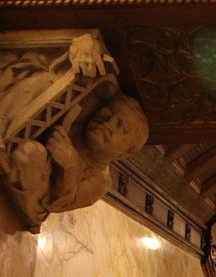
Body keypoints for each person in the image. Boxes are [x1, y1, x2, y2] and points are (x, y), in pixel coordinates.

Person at [0, 94, 148, 232]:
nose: (107, 123)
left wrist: (70, 164)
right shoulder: (80, 120)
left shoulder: (100, 181)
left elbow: (59, 202)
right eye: (106, 114)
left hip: (34, 200)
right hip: (30, 161)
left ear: (125, 152)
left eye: (119, 126)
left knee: (31, 154)